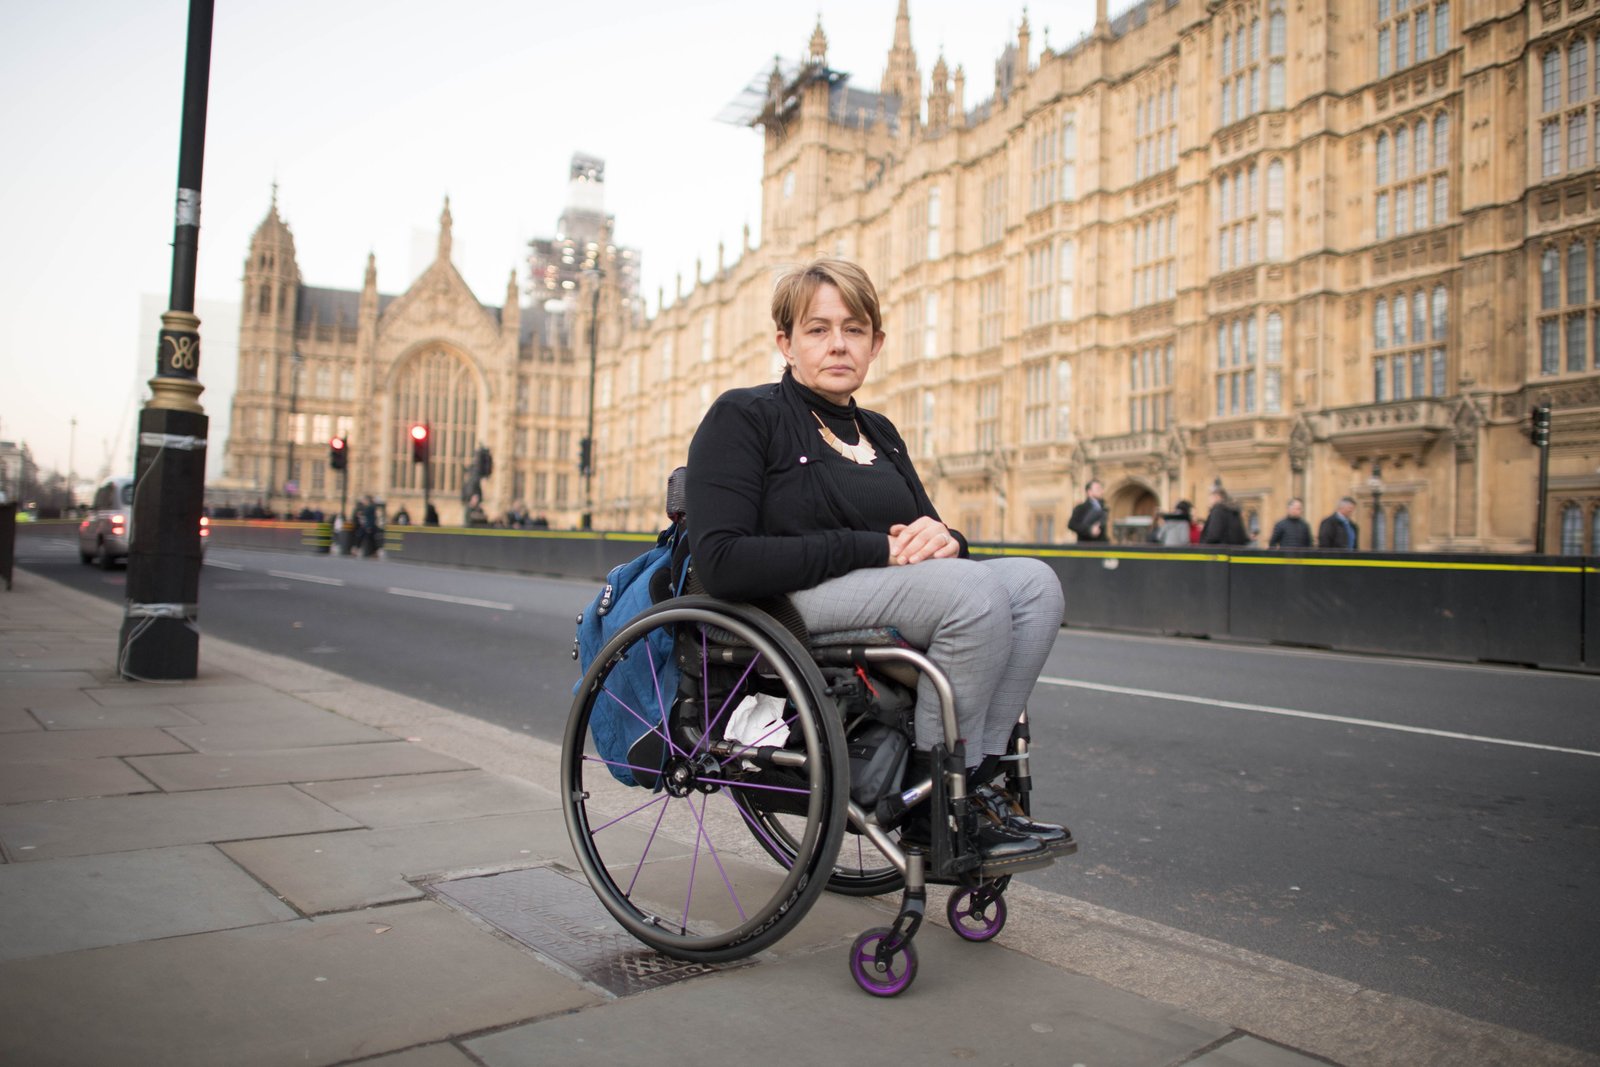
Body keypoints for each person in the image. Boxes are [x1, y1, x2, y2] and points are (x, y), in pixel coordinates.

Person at [686, 257, 1068, 868]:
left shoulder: (881, 432)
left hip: (878, 591)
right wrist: (878, 548)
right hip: (783, 601)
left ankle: (980, 783)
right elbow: (724, 561)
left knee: (1034, 585)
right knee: (971, 595)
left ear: (876, 343)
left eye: (855, 328)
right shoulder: (745, 415)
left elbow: (926, 530)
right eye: (817, 329)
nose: (838, 343)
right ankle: (935, 808)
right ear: (785, 342)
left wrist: (948, 541)